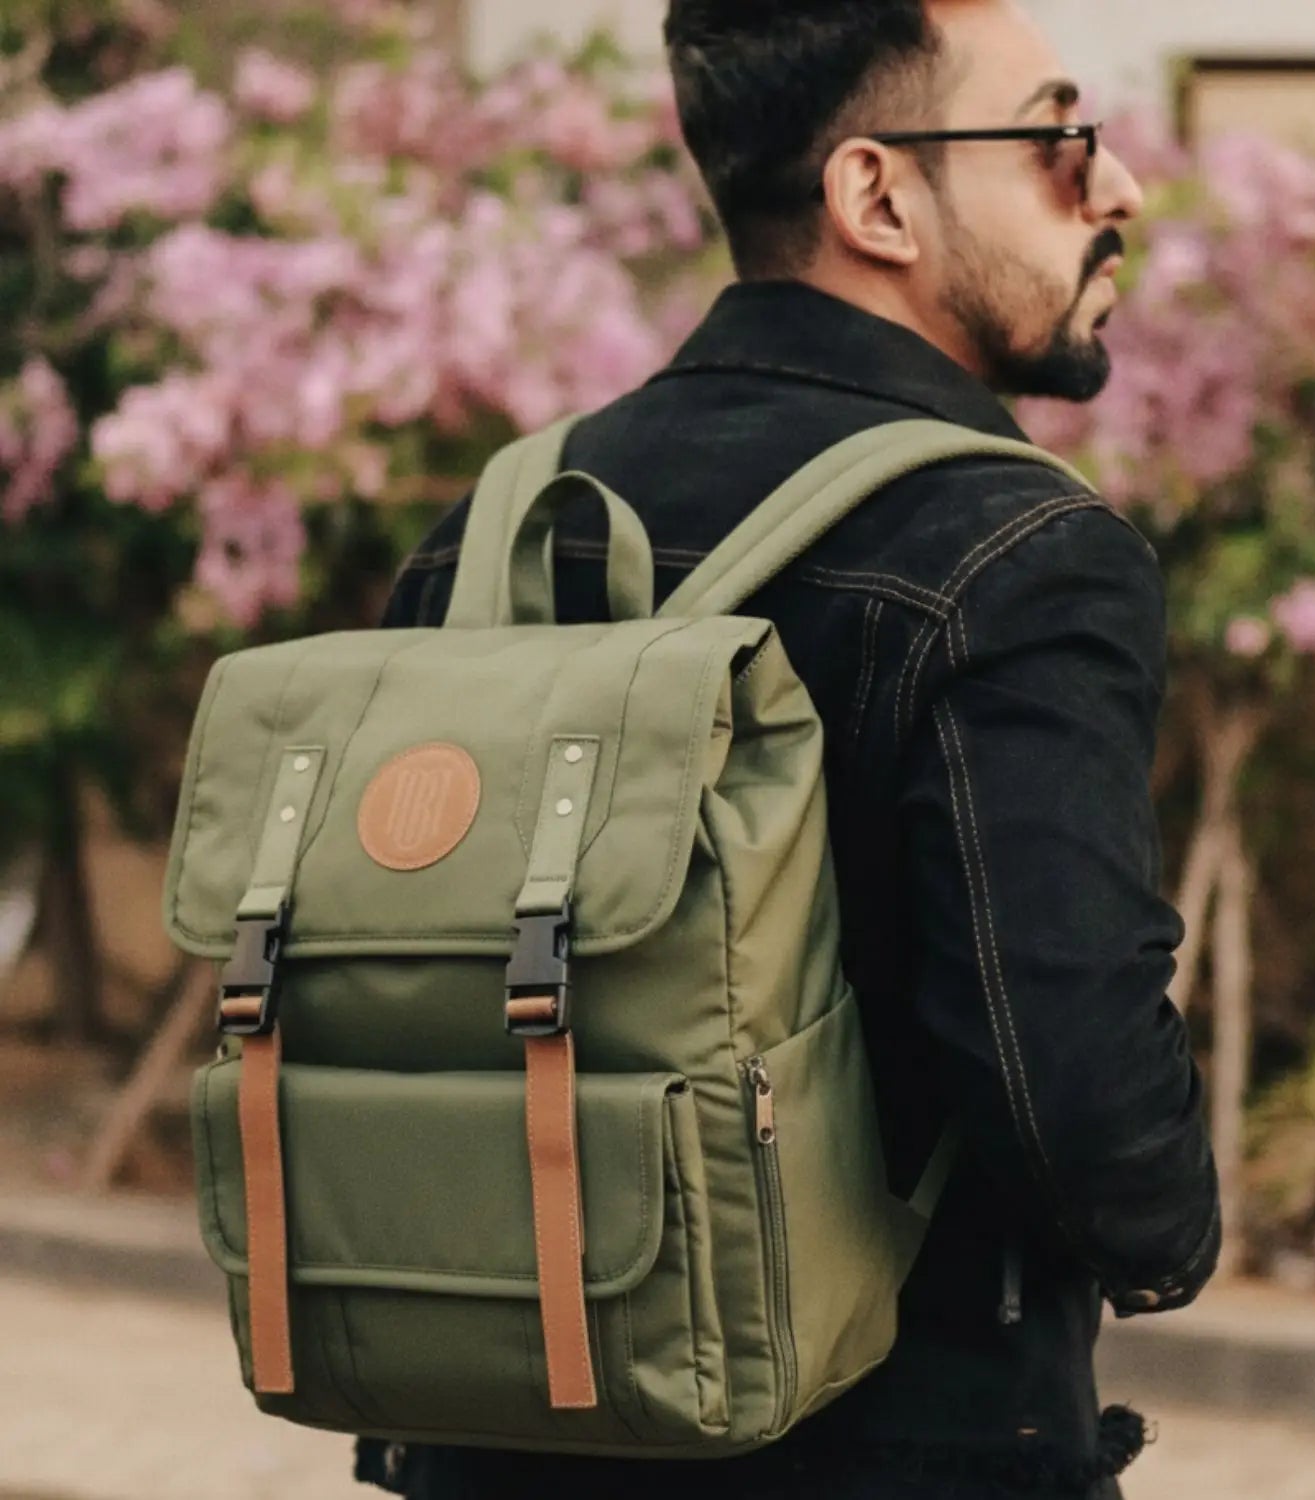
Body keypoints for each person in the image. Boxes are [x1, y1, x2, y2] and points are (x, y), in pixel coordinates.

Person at [357, 3, 1220, 1496]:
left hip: (496, 1434)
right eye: (1061, 141)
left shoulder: (492, 530)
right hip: (900, 1446)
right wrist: (1168, 1235)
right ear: (877, 195)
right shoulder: (1019, 551)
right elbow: (1069, 1078)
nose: (1121, 189)